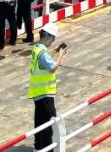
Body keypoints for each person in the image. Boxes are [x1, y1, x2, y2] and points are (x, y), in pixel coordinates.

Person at [29, 24, 66, 152]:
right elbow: (52, 68)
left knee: (39, 121)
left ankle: (38, 147)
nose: (53, 41)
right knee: (50, 123)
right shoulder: (43, 53)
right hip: (45, 93)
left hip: (37, 93)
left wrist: (55, 51)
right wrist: (60, 55)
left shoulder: (37, 48)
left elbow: (44, 59)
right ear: (48, 36)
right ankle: (47, 148)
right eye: (53, 38)